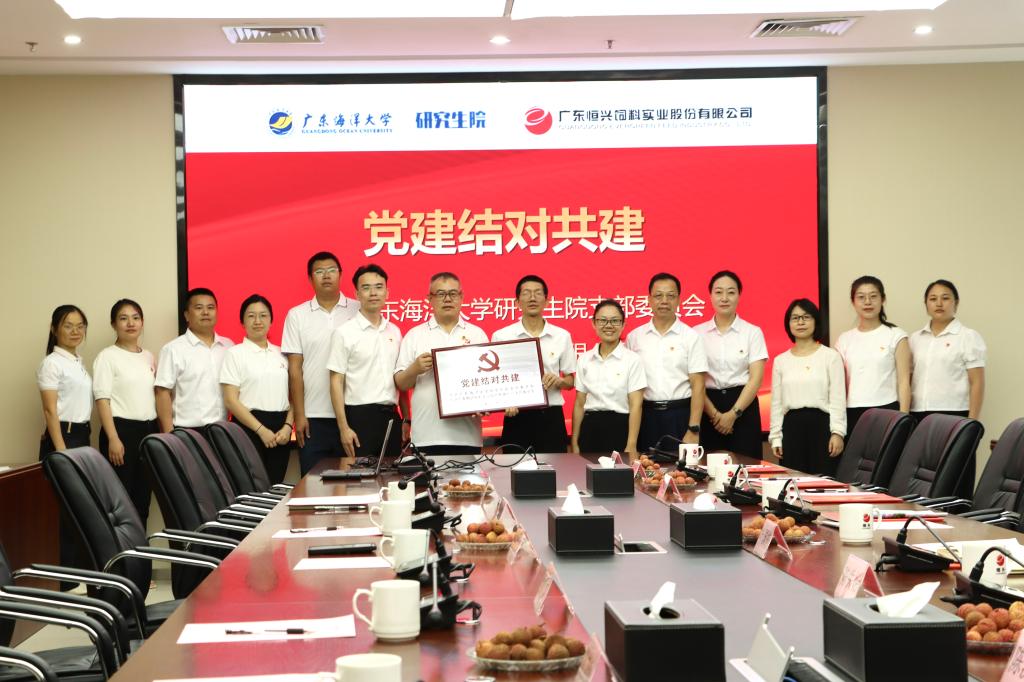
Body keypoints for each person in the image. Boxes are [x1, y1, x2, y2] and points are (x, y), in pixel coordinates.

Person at [282, 251, 360, 474]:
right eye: (319, 271)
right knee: (313, 484)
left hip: (353, 414)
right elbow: (295, 370)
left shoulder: (358, 309)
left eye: (332, 270)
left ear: (341, 275)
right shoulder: (297, 315)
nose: (326, 275)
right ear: (310, 278)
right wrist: (299, 415)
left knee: (354, 486)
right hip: (313, 418)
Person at [394, 272, 488, 455]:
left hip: (467, 436)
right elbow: (401, 384)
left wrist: (486, 404)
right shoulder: (415, 335)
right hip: (426, 435)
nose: (447, 299)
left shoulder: (477, 334)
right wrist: (415, 369)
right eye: (441, 294)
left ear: (461, 297)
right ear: (430, 298)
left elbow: (488, 382)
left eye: (453, 293)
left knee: (469, 476)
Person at [327, 264, 407, 461]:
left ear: (387, 292)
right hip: (359, 419)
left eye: (379, 287)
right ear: (357, 294)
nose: (373, 293)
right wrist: (343, 427)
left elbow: (400, 378)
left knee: (392, 476)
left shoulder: (395, 331)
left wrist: (407, 419)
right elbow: (336, 382)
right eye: (366, 288)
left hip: (392, 417)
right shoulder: (344, 333)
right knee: (360, 477)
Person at [37, 304, 92, 584]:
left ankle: (74, 575)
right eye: (68, 326)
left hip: (81, 436)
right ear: (54, 329)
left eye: (80, 326)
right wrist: (61, 451)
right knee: (63, 511)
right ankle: (64, 581)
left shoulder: (76, 361)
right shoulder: (52, 363)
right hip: (64, 439)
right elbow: (50, 411)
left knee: (77, 509)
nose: (75, 331)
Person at [491, 275, 576, 453]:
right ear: (517, 302)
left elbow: (570, 382)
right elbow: (495, 380)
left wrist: (559, 381)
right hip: (516, 416)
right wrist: (504, 401)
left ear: (547, 301)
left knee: (555, 468)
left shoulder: (562, 336)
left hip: (551, 416)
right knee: (514, 468)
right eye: (526, 293)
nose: (532, 298)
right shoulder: (502, 336)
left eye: (538, 293)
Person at [93, 299, 158, 528]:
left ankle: (139, 550)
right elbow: (102, 399)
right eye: (123, 318)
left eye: (135, 318)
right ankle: (120, 551)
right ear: (114, 324)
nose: (131, 323)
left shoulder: (148, 356)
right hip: (121, 432)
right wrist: (113, 438)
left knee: (142, 500)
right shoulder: (107, 357)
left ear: (142, 322)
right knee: (120, 503)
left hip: (148, 431)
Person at [625, 273, 707, 453]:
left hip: (680, 415)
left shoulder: (691, 337)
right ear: (649, 300)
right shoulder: (634, 337)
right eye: (658, 295)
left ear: (678, 300)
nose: (664, 301)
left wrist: (694, 428)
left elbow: (698, 385)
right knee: (644, 468)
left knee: (681, 469)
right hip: (645, 416)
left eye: (670, 296)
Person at [220, 294, 294, 484]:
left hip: (280, 431)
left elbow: (295, 396)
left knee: (275, 487)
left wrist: (288, 427)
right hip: (248, 429)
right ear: (242, 322)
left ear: (271, 320)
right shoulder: (234, 354)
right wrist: (261, 430)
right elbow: (230, 400)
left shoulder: (282, 354)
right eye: (251, 316)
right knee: (250, 489)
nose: (257, 321)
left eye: (263, 315)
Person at [694, 271, 768, 458]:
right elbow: (695, 380)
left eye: (731, 292)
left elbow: (755, 379)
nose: (724, 298)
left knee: (747, 466)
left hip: (743, 406)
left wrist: (733, 414)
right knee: (707, 467)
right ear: (710, 296)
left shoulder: (752, 332)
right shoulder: (696, 334)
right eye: (719, 292)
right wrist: (715, 415)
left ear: (739, 295)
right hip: (707, 406)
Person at [769, 299, 846, 476]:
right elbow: (776, 403)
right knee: (794, 482)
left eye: (806, 317)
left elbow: (838, 399)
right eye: (795, 318)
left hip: (822, 427)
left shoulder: (830, 356)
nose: (800, 322)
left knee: (823, 483)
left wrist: (838, 433)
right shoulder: (781, 361)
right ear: (788, 324)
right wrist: (776, 437)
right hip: (791, 428)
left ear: (815, 321)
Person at [834, 276, 911, 436]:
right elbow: (838, 386)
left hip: (887, 410)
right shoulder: (844, 339)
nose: (867, 302)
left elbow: (904, 382)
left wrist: (903, 420)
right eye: (861, 297)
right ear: (853, 302)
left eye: (873, 296)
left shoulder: (896, 335)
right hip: (852, 412)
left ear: (883, 299)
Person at [572, 299, 646, 457]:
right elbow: (579, 403)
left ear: (623, 324)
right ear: (594, 323)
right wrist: (574, 441)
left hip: (620, 428)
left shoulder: (632, 360)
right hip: (590, 429)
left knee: (619, 473)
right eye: (603, 320)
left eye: (615, 321)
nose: (608, 325)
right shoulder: (584, 359)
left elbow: (636, 405)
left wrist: (631, 444)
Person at [155, 288, 234, 431]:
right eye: (199, 308)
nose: (205, 312)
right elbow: (162, 393)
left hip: (222, 430)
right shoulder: (173, 349)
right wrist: (170, 434)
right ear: (187, 315)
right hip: (187, 431)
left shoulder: (229, 346)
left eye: (210, 307)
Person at [909, 279, 985, 421]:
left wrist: (972, 421)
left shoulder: (968, 336)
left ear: (956, 303)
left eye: (945, 298)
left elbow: (977, 382)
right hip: (917, 411)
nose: (939, 303)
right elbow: (909, 378)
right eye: (933, 299)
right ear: (925, 304)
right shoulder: (915, 338)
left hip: (954, 412)